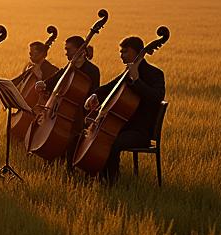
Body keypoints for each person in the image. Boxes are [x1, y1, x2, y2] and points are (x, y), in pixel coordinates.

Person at [81, 35, 165, 183]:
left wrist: (137, 80)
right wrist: (94, 95)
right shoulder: (128, 72)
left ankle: (111, 181)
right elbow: (109, 87)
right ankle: (97, 175)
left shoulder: (155, 74)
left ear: (137, 52)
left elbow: (155, 98)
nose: (121, 55)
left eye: (125, 52)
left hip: (140, 131)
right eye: (121, 52)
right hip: (124, 127)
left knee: (112, 142)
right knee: (93, 133)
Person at [35, 35, 101, 169]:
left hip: (81, 113)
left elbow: (94, 94)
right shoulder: (70, 66)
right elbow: (57, 78)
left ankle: (68, 166)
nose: (66, 52)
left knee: (69, 133)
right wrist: (44, 83)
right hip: (64, 111)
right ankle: (50, 162)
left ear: (80, 51)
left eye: (68, 49)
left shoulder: (92, 70)